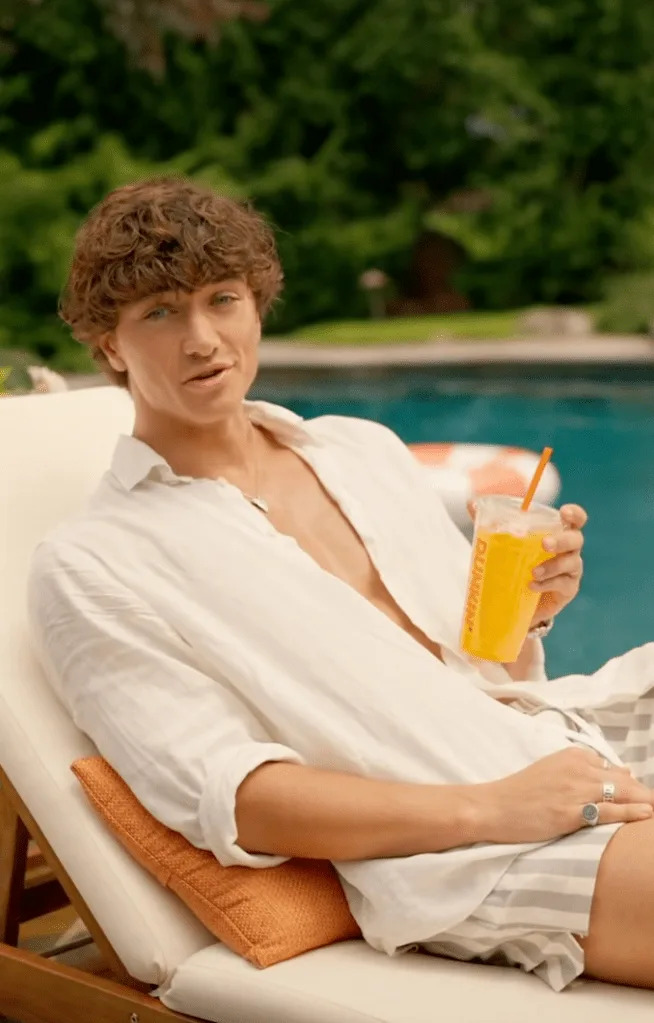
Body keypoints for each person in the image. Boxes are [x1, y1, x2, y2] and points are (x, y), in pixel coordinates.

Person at [27, 177, 654, 995]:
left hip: (565, 733)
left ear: (256, 304)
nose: (202, 339)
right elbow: (238, 799)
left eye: (222, 300)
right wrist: (496, 807)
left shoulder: (359, 448)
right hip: (473, 853)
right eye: (160, 313)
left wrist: (531, 615)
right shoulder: (96, 563)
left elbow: (477, 670)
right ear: (109, 344)